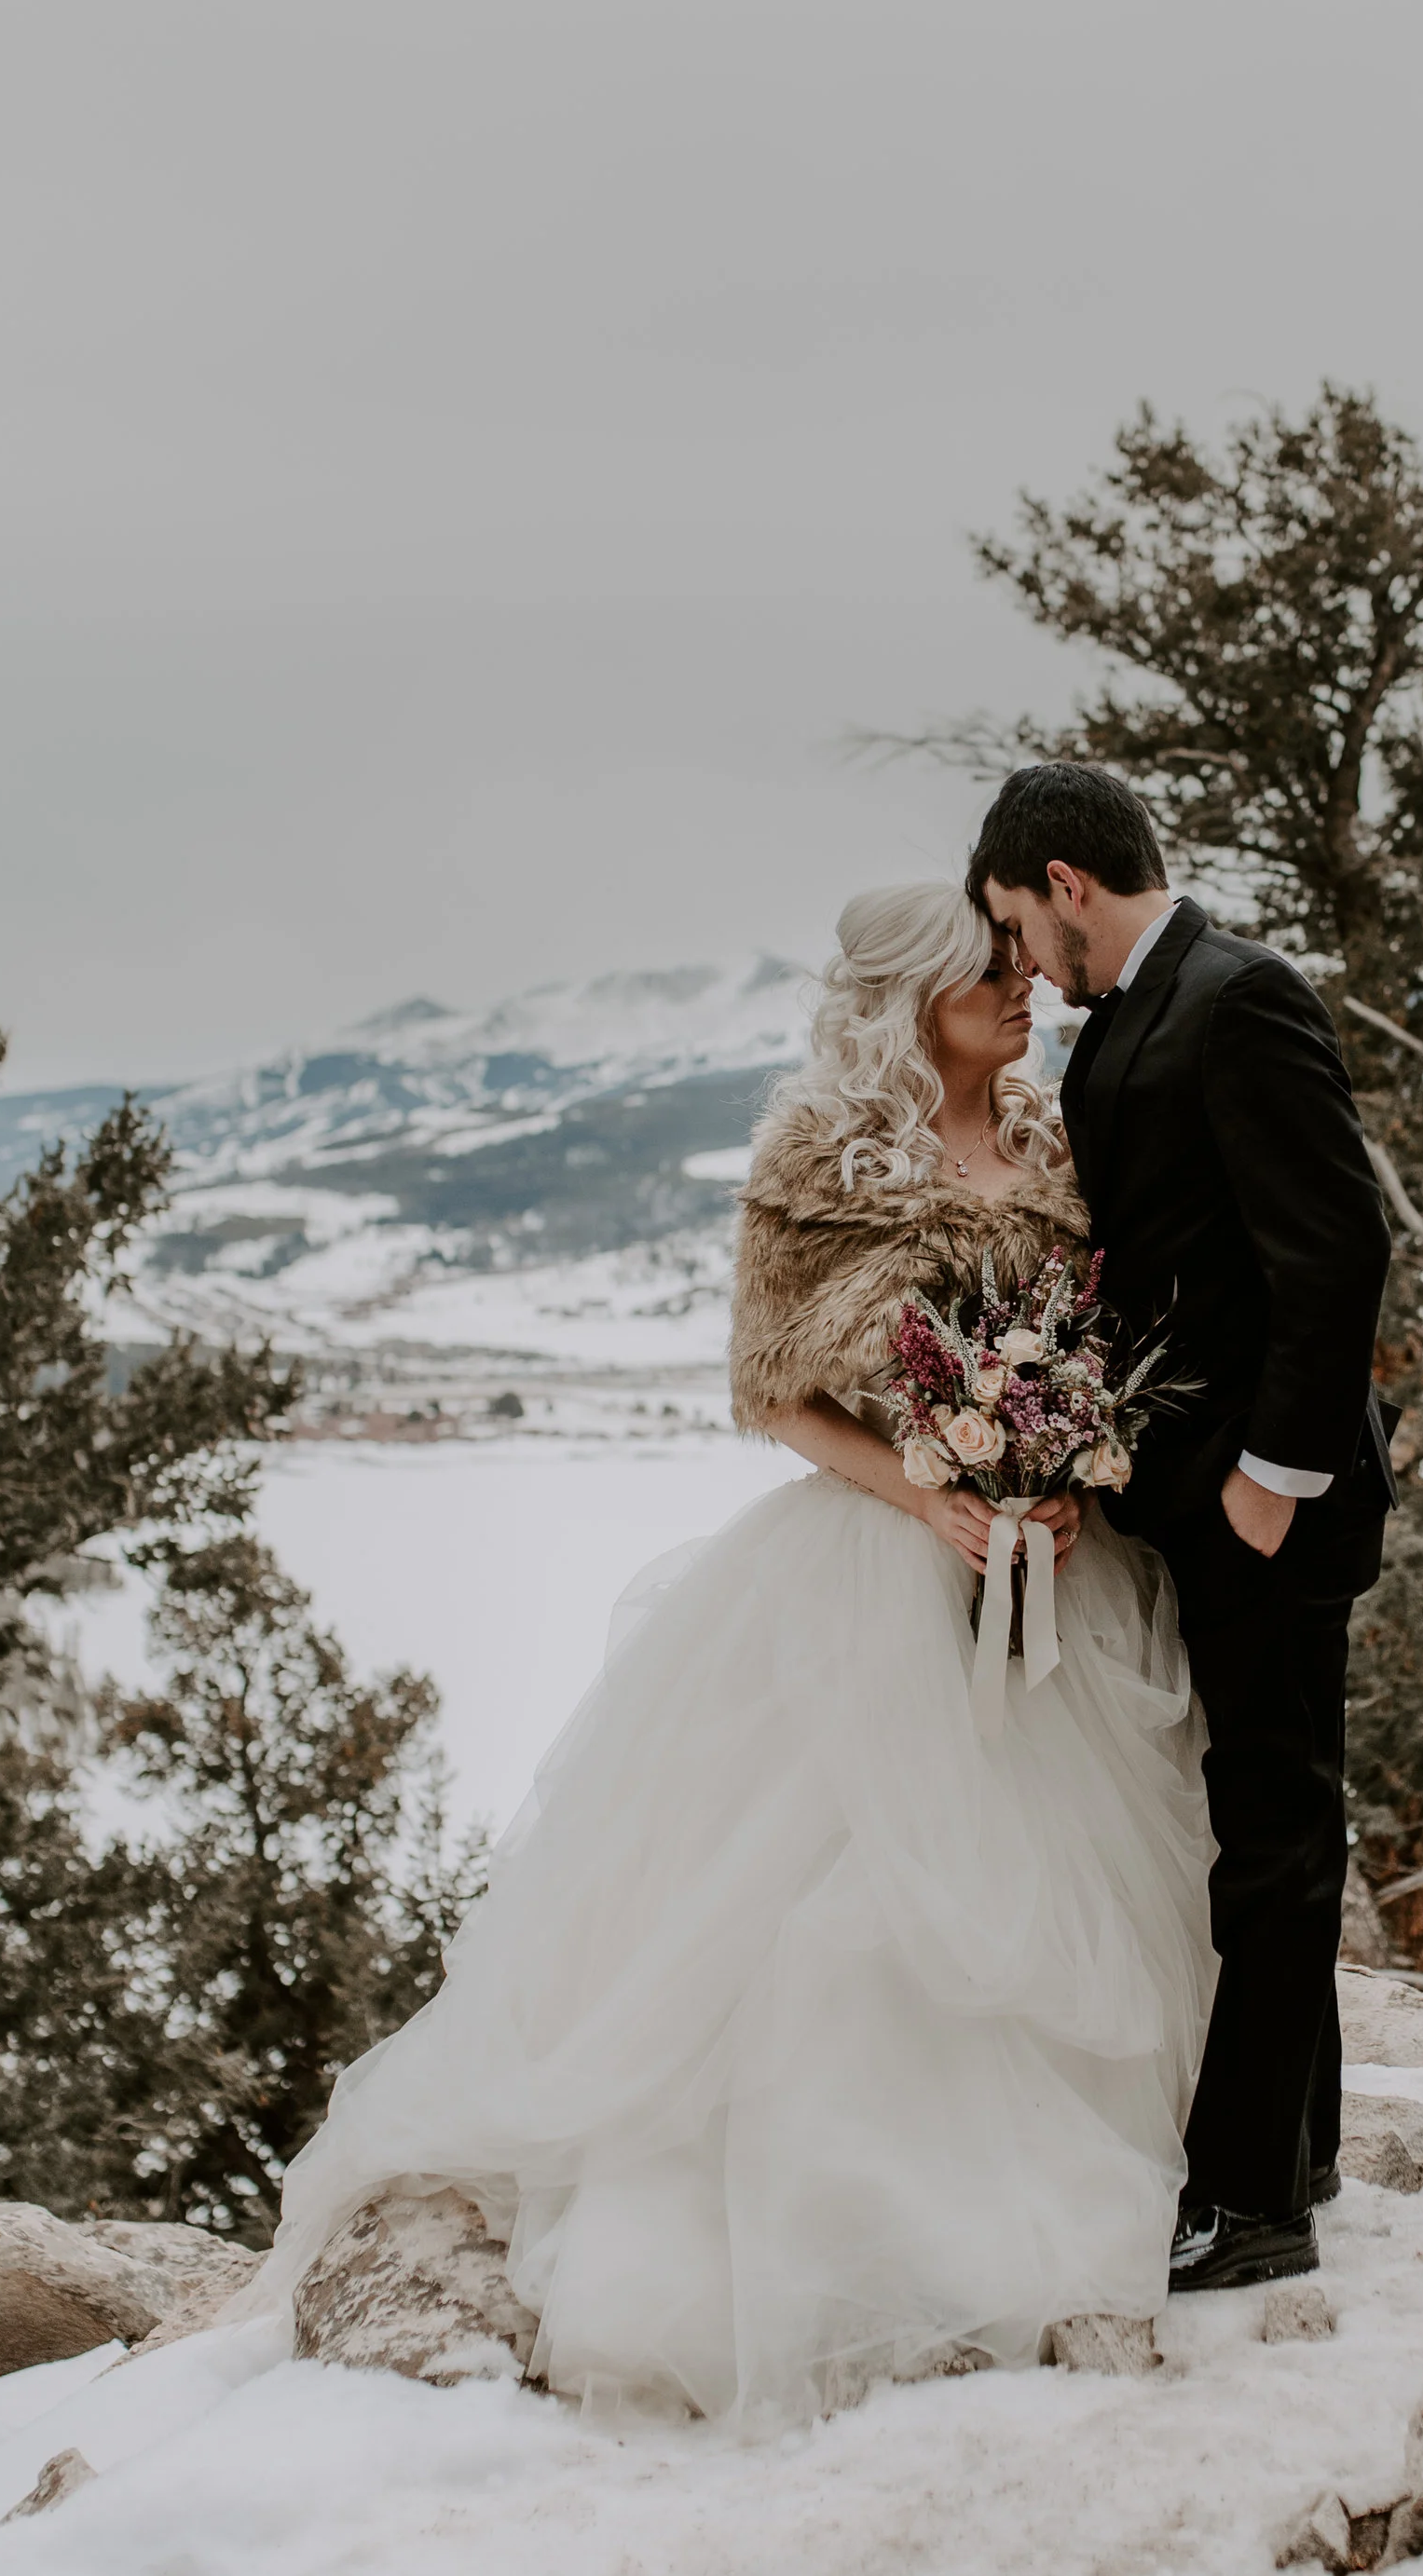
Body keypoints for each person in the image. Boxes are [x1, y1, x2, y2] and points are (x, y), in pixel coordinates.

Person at [263, 881, 1214, 2425]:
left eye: (1022, 961)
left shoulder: (1052, 1137)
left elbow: (1090, 1338)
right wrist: (928, 1491)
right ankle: (852, 2238)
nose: (1024, 984)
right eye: (991, 969)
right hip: (876, 1576)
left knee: (1067, 1879)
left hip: (1051, 1571)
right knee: (838, 1910)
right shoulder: (816, 1161)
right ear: (914, 997)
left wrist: (1049, 1474)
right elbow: (771, 1390)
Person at [973, 763, 1395, 2297]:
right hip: (1203, 1496)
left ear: (1068, 883)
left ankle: (1249, 2205)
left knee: (1277, 1840)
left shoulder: (1242, 995)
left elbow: (1340, 1247)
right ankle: (1307, 2148)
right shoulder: (1137, 1021)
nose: (1023, 962)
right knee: (1263, 1825)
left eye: (1022, 927)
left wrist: (1269, 1485)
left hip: (1270, 1504)